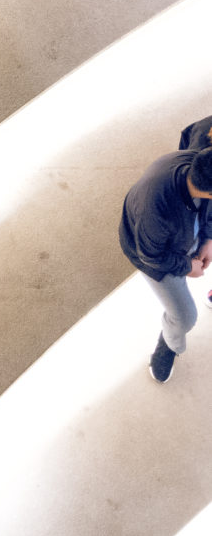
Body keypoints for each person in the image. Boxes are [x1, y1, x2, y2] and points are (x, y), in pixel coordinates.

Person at [119, 138, 212, 381]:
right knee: (185, 316)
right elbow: (151, 256)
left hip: (183, 233)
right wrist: (187, 267)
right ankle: (169, 344)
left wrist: (208, 238)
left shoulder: (199, 162)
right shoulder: (156, 209)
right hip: (158, 255)